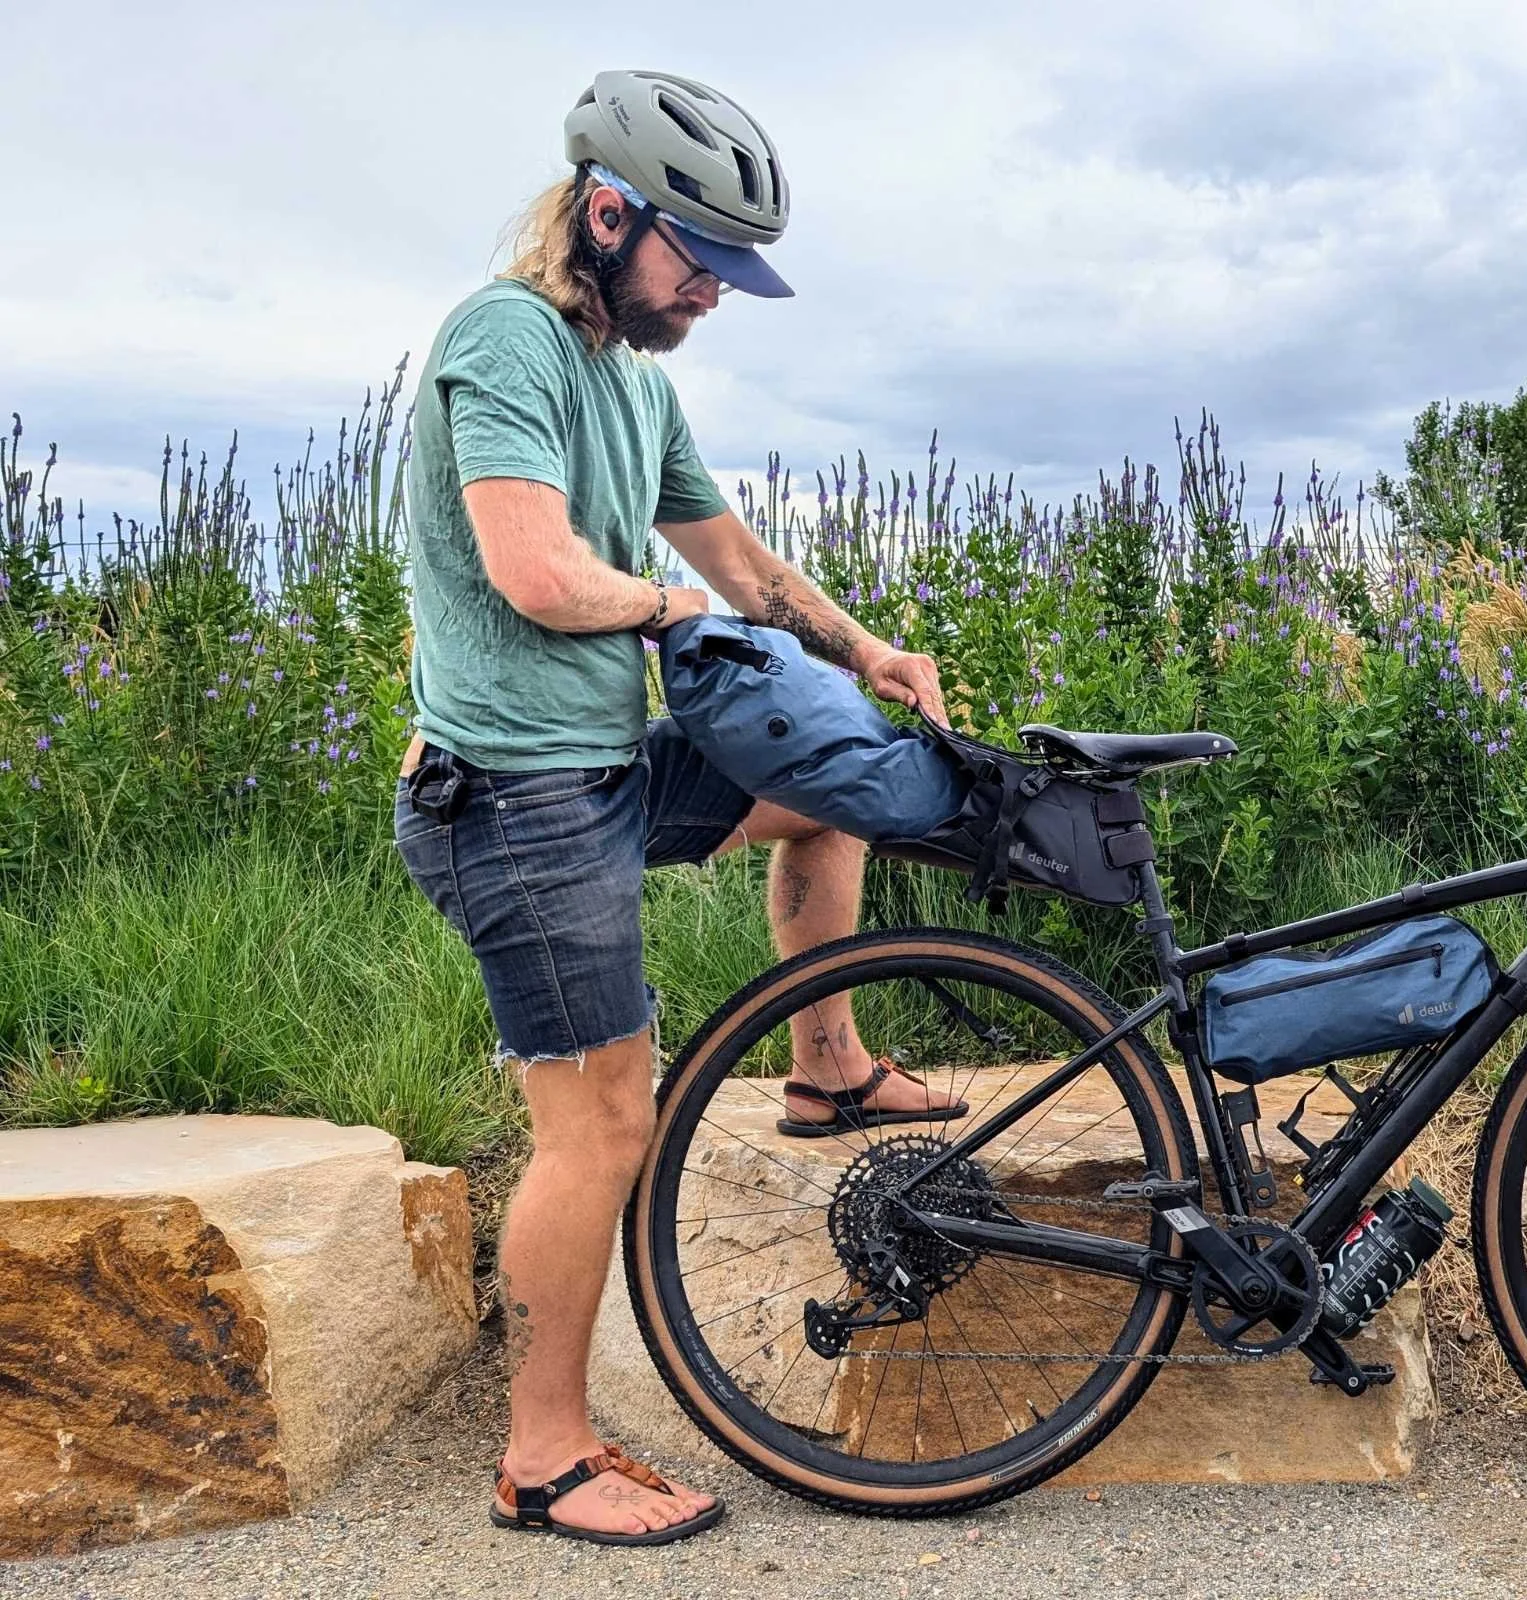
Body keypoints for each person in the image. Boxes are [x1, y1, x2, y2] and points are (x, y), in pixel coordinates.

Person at [392, 69, 962, 1546]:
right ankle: (546, 1455)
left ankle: (826, 1068)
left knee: (826, 788)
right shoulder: (502, 339)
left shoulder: (640, 383)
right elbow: (535, 573)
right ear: (604, 215)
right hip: (507, 799)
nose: (710, 295)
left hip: (596, 772)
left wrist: (865, 651)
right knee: (603, 1129)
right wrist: (668, 612)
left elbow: (749, 566)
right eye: (696, 262)